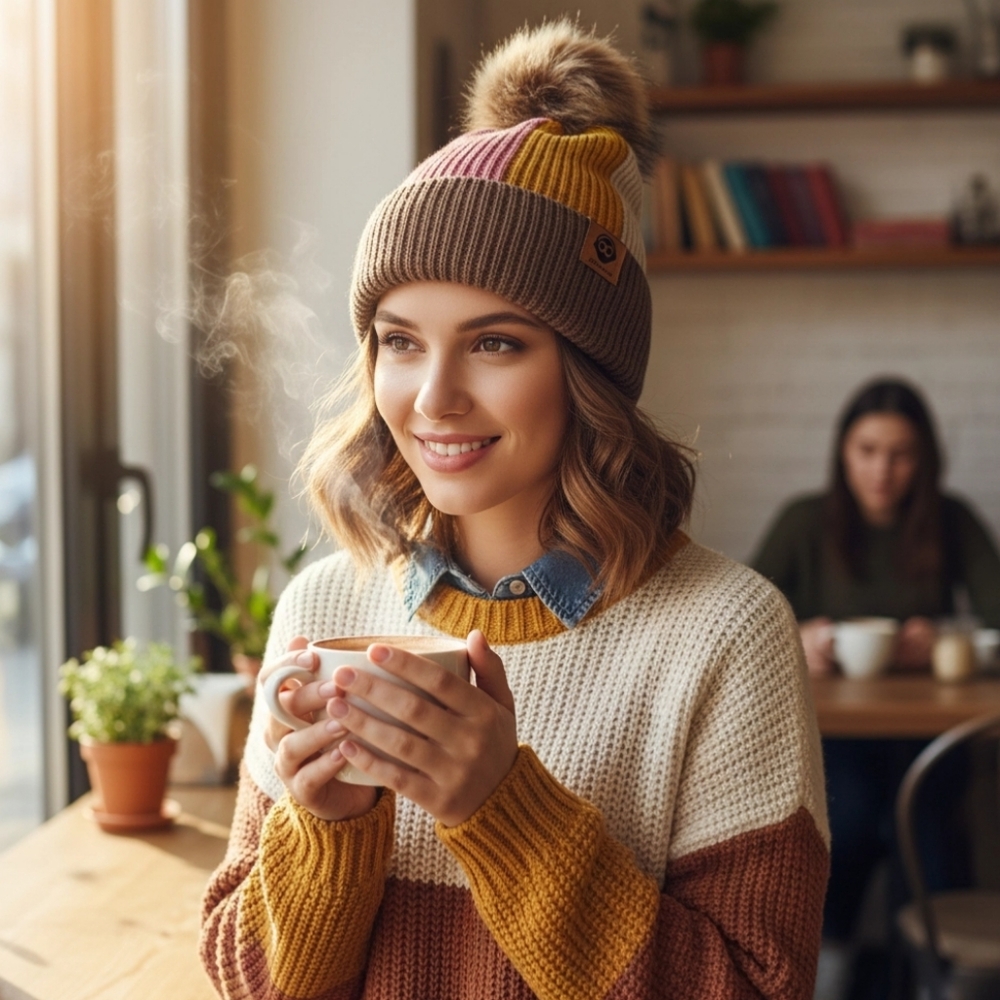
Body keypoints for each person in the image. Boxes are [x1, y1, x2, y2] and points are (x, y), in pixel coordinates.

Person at [201, 22, 829, 1000]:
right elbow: (255, 984)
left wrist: (499, 808)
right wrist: (324, 836)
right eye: (399, 342)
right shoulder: (320, 613)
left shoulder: (723, 637)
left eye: (494, 344)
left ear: (590, 374)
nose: (431, 396)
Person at [752, 377, 1000, 996]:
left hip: (929, 732)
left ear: (925, 459)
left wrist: (944, 634)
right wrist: (797, 636)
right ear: (843, 451)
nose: (882, 470)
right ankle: (825, 971)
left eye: (900, 453)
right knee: (857, 815)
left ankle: (934, 975)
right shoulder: (806, 521)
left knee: (927, 822)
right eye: (867, 451)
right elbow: (745, 614)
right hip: (832, 732)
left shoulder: (950, 519)